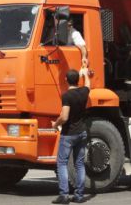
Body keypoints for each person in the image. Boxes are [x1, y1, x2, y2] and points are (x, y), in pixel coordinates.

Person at [51, 68, 91, 204]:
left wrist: (55, 124)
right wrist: (85, 74)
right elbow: (88, 85)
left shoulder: (67, 96)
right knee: (79, 164)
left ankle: (64, 196)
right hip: (82, 132)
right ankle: (79, 196)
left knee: (62, 163)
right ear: (78, 80)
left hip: (69, 134)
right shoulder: (84, 92)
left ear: (66, 80)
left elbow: (64, 117)